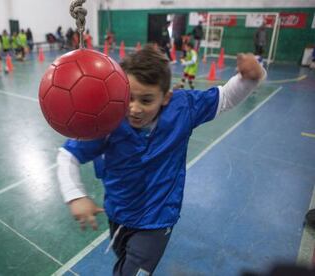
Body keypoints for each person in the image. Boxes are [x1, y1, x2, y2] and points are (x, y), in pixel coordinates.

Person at [56, 44, 265, 275]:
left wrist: (249, 78)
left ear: (165, 97)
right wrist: (75, 196)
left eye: (146, 100)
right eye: (128, 98)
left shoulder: (182, 108)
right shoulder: (110, 117)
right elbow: (68, 154)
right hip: (119, 213)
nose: (134, 108)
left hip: (158, 218)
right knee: (123, 260)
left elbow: (224, 98)